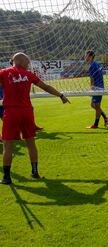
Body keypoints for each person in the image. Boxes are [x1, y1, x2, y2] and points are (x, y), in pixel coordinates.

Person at [0, 52, 70, 184]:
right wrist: (60, 95)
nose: (28, 65)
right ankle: (34, 171)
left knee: (8, 145)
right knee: (30, 142)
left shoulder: (3, 72)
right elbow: (46, 87)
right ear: (20, 61)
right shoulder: (28, 75)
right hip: (26, 112)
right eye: (27, 62)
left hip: (10, 113)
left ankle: (6, 177)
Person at [85, 50, 108, 129]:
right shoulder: (96, 64)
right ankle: (105, 117)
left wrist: (92, 88)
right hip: (99, 87)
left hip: (97, 88)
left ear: (91, 56)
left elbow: (92, 79)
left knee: (97, 106)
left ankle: (96, 124)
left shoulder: (92, 66)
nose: (86, 57)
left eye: (87, 56)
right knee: (93, 105)